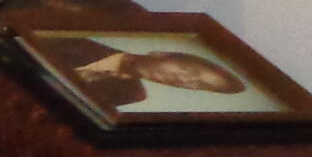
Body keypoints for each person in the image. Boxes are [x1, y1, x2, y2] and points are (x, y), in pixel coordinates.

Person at [59, 42, 250, 114]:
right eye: (187, 71)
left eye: (198, 85)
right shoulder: (84, 39)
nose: (184, 81)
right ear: (161, 54)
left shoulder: (133, 94)